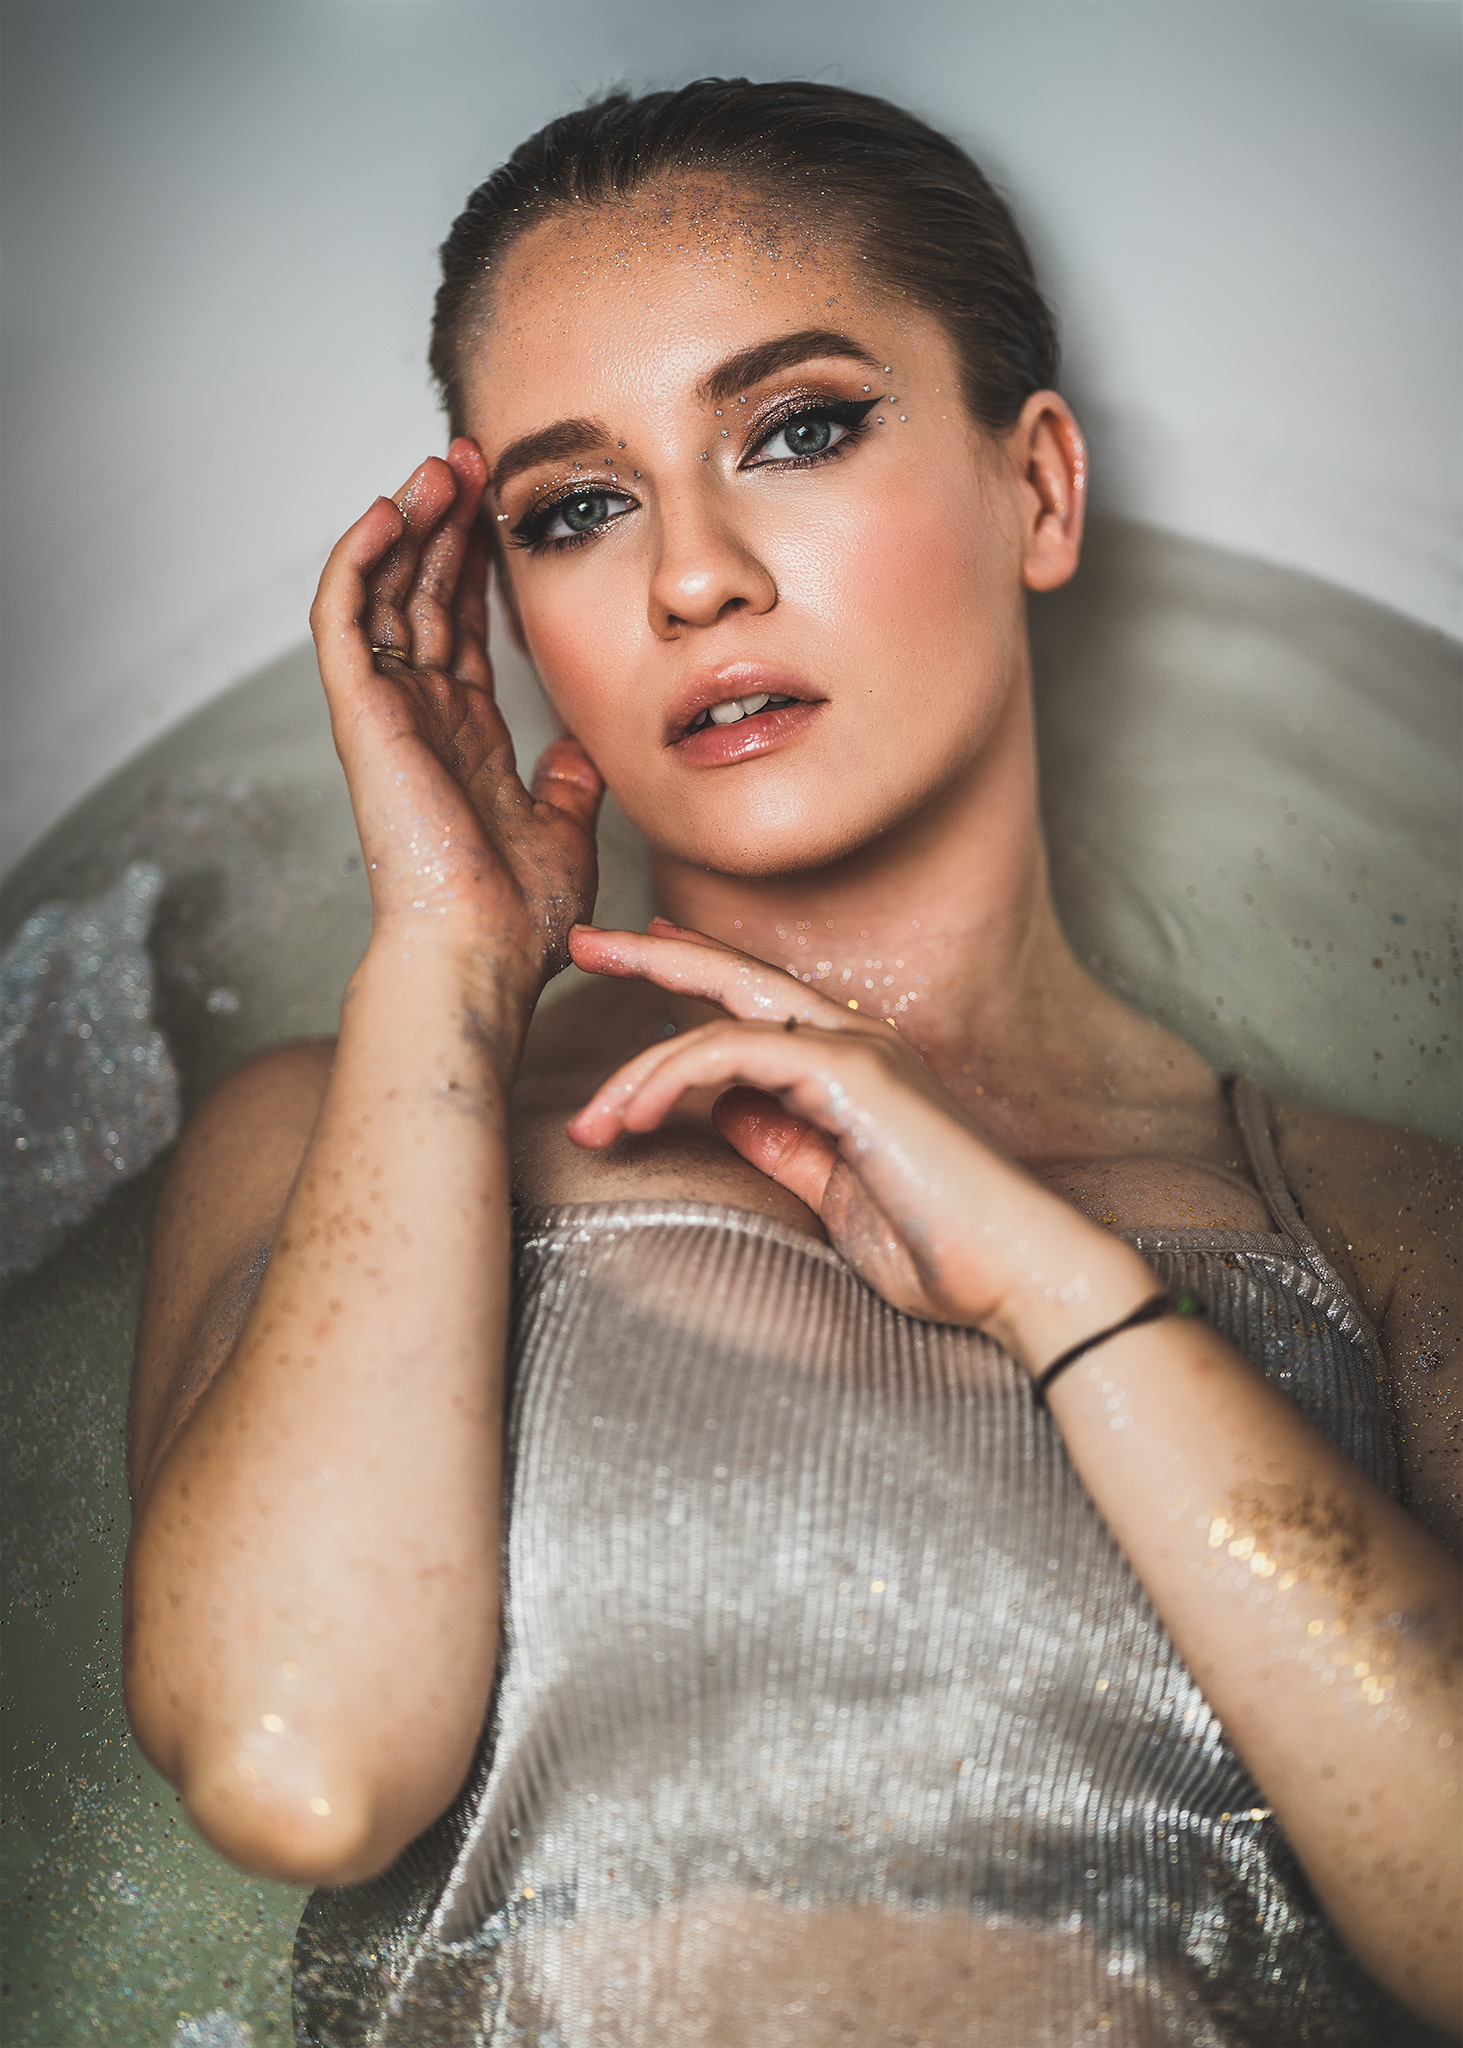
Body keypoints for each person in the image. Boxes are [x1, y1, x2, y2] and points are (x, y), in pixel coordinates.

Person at [121, 80, 1460, 2047]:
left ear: (1040, 489)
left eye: (800, 428)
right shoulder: (347, 1125)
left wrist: (1061, 1290)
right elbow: (293, 1756)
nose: (691, 577)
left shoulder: (1378, 1219)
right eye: (577, 509)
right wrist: (449, 973)